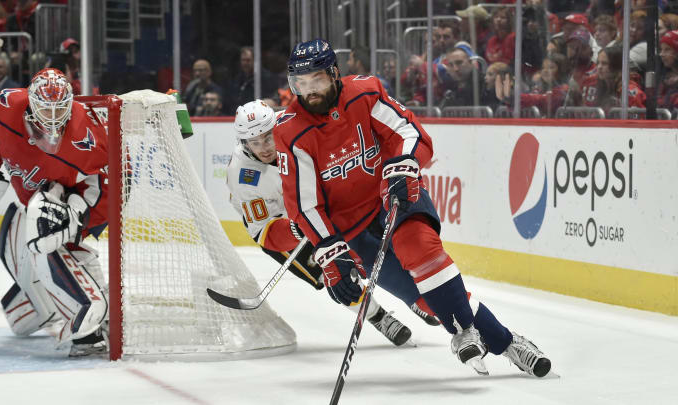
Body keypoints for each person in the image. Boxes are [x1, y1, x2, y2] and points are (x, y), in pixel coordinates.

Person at [273, 38, 552, 377]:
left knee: (423, 254)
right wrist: (331, 254)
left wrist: (404, 163)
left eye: (315, 80)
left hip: (393, 195)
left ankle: (503, 344)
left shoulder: (364, 92)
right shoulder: (290, 130)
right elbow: (304, 203)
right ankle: (485, 333)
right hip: (355, 230)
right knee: (430, 301)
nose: (308, 91)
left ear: (334, 74)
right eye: (299, 84)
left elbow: (407, 130)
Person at [226, 100, 435, 346]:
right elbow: (265, 233)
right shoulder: (243, 176)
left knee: (375, 248)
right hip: (284, 229)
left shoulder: (294, 128)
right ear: (243, 143)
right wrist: (296, 228)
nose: (264, 147)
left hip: (317, 209)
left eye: (268, 137)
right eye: (255, 142)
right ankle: (376, 316)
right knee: (335, 277)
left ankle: (415, 296)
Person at [0, 68, 110, 356]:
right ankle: (48, 308)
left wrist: (75, 214)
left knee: (45, 234)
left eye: (60, 109)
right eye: (45, 108)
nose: (53, 117)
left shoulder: (89, 133)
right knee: (22, 319)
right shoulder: (6, 107)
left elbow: (103, 187)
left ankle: (90, 322)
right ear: (30, 102)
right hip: (25, 204)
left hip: (60, 205)